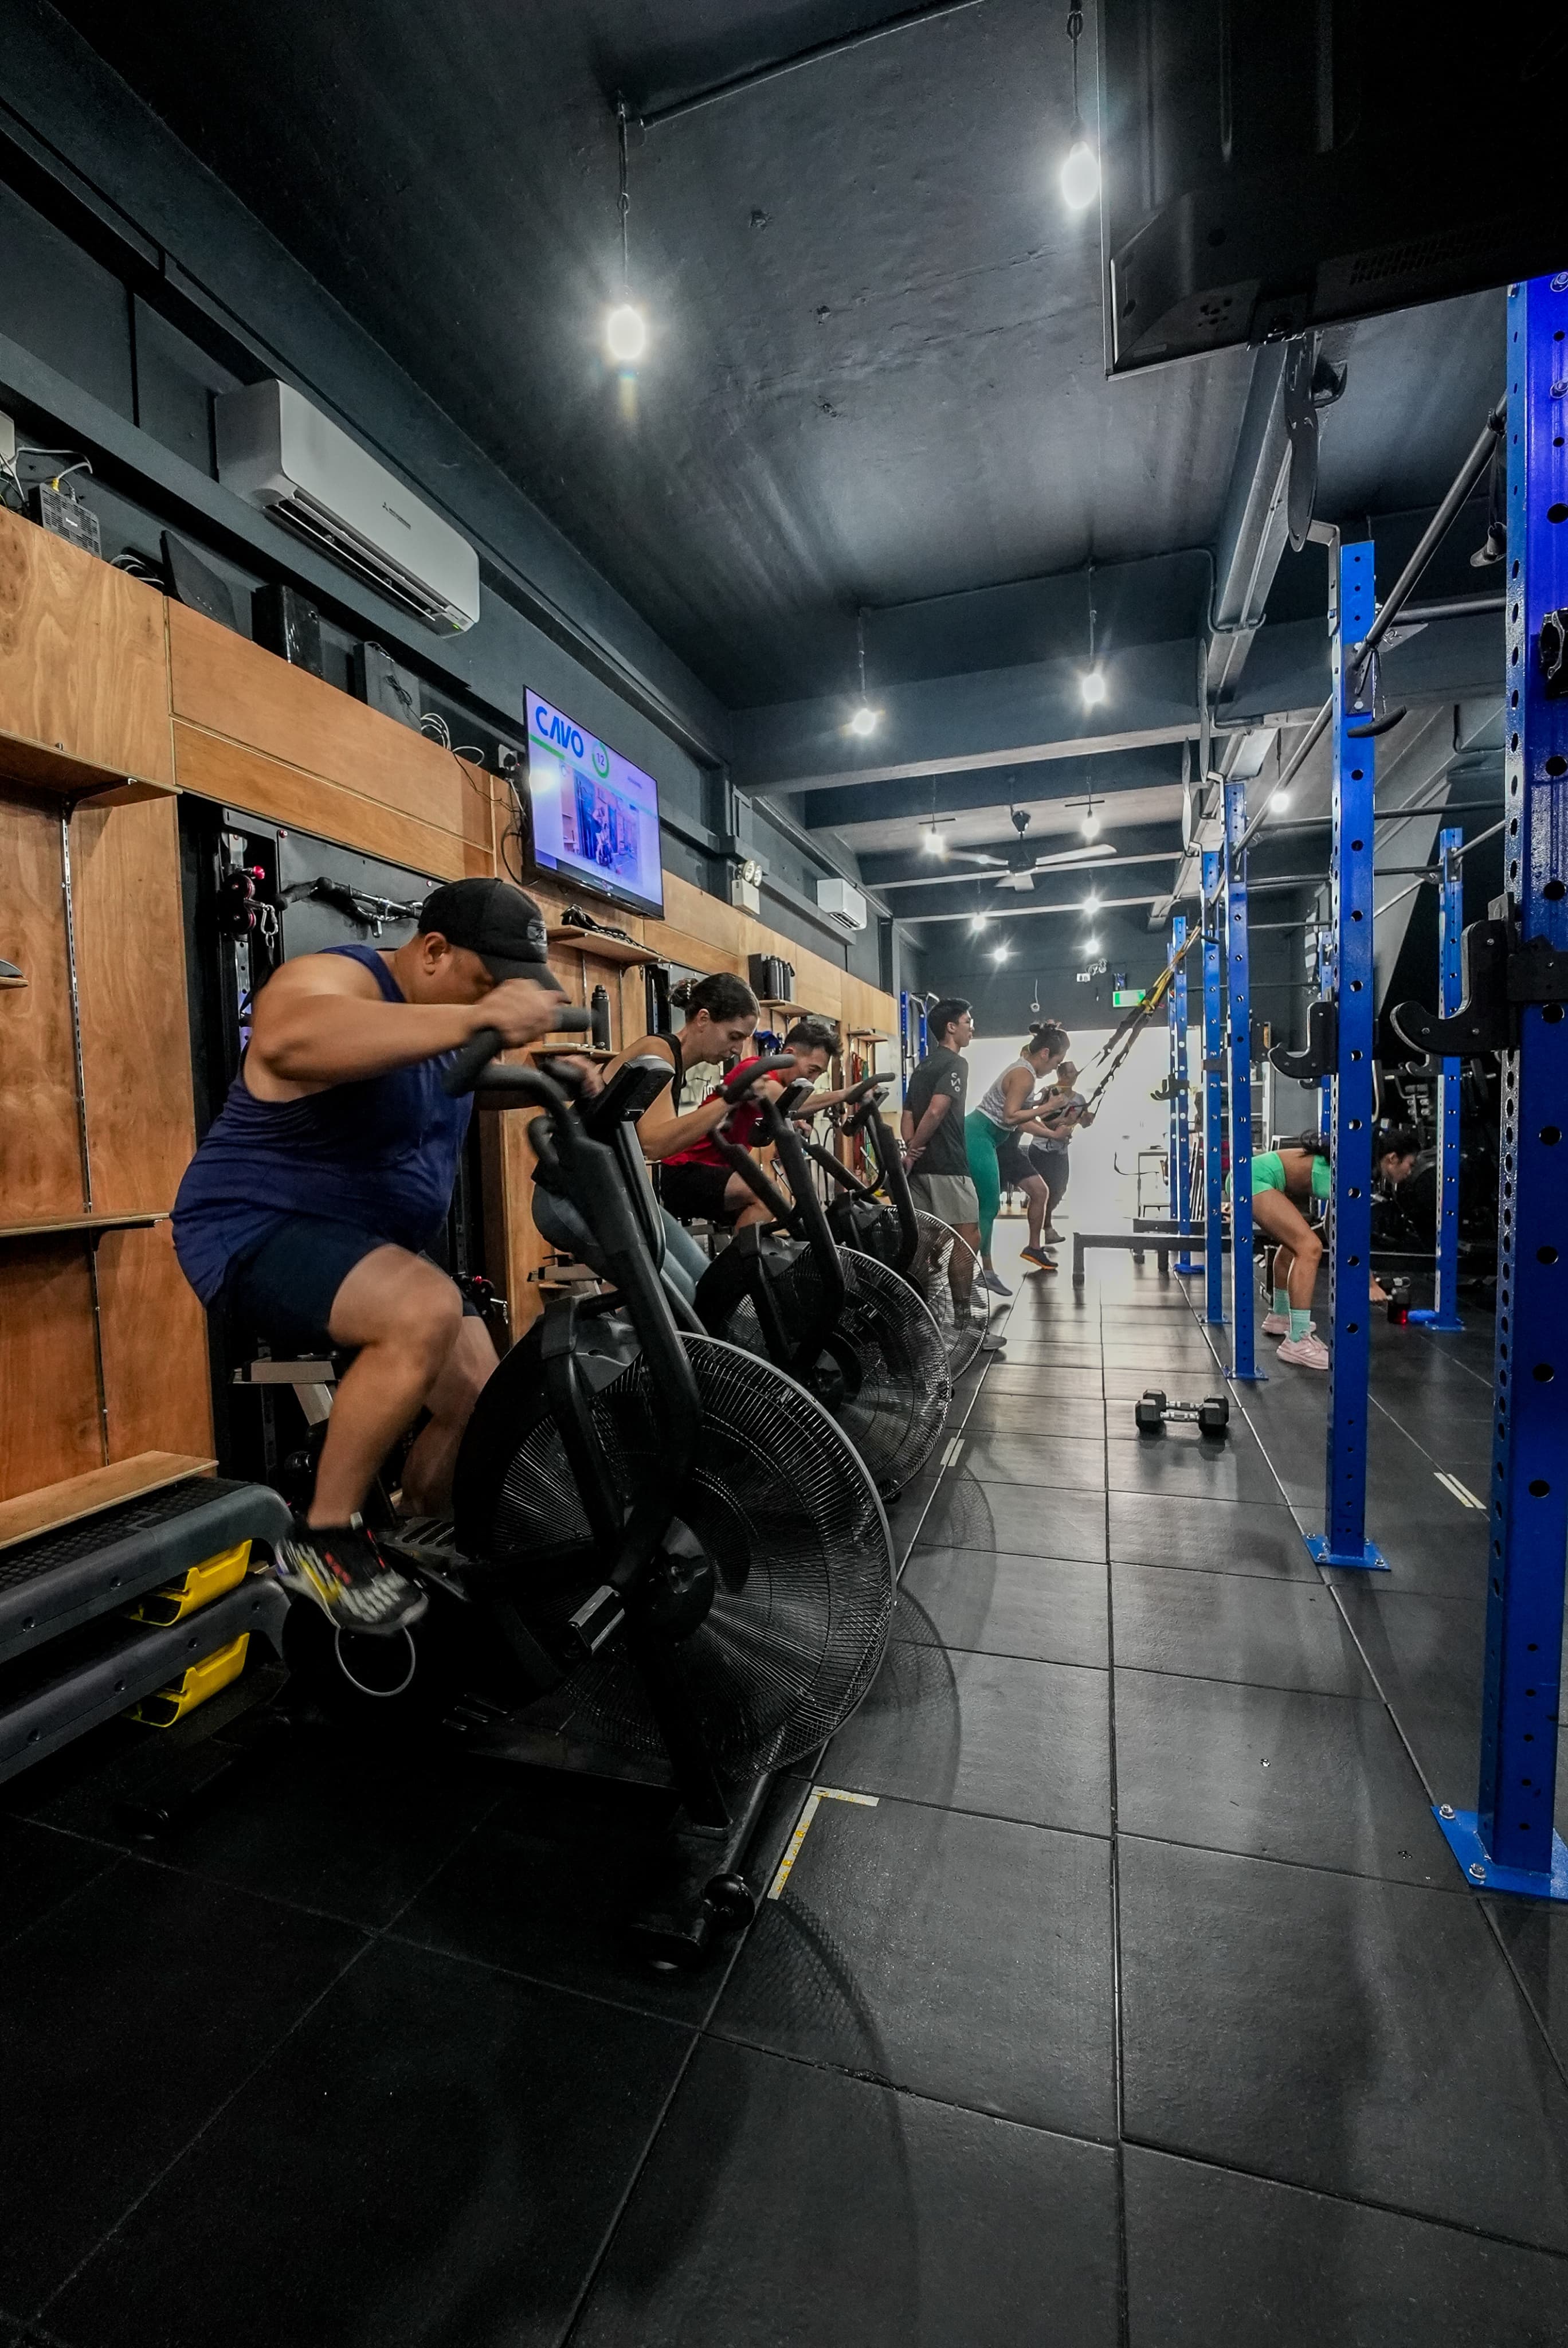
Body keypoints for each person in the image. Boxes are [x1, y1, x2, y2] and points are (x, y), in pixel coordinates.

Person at [172, 878, 574, 1633]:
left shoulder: (429, 1026)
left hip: (369, 1248)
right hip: (253, 1231)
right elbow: (292, 1040)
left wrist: (545, 1079)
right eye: (485, 981)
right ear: (431, 951)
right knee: (419, 1307)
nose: (488, 1002)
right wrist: (479, 1016)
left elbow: (446, 1081)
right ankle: (323, 1541)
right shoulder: (332, 979)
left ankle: (420, 1536)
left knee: (485, 1406)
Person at [1249, 1126, 1420, 1369]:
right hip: (1254, 1180)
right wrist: (1369, 1282)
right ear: (1392, 1159)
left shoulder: (1349, 1165)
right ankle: (1297, 1341)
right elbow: (1349, 1233)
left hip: (1255, 1177)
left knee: (1295, 1246)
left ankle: (1281, 1316)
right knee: (1309, 1248)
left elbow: (1331, 1225)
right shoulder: (1353, 1172)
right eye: (1411, 1165)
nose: (1410, 1172)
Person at [965, 1021, 1071, 1289]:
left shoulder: (1025, 1073)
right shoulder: (1025, 1074)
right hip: (979, 1136)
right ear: (1045, 1053)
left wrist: (1047, 1124)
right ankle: (983, 1272)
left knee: (1001, 1202)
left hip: (990, 1137)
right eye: (1057, 1061)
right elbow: (1010, 1116)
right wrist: (1047, 1106)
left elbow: (1018, 1120)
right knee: (988, 1207)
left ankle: (985, 1270)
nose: (1055, 1069)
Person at [901, 1000, 981, 1308]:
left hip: (920, 1169)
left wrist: (911, 1151)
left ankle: (917, 1312)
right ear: (951, 1027)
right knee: (968, 1236)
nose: (972, 1027)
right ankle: (963, 1318)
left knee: (928, 1241)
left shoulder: (923, 1065)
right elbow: (936, 1110)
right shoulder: (956, 1063)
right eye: (967, 1021)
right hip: (948, 1165)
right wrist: (916, 1149)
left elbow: (907, 1114)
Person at [1026, 1059, 1095, 1247]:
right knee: (1044, 1192)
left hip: (1061, 1151)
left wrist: (1086, 1119)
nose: (1076, 1074)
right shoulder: (1050, 1093)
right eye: (1072, 1072)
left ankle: (1047, 1226)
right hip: (1041, 1149)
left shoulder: (1079, 1098)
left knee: (1059, 1189)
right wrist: (1063, 1121)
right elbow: (1041, 1121)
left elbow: (1084, 1122)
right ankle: (1046, 1230)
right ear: (1062, 1075)